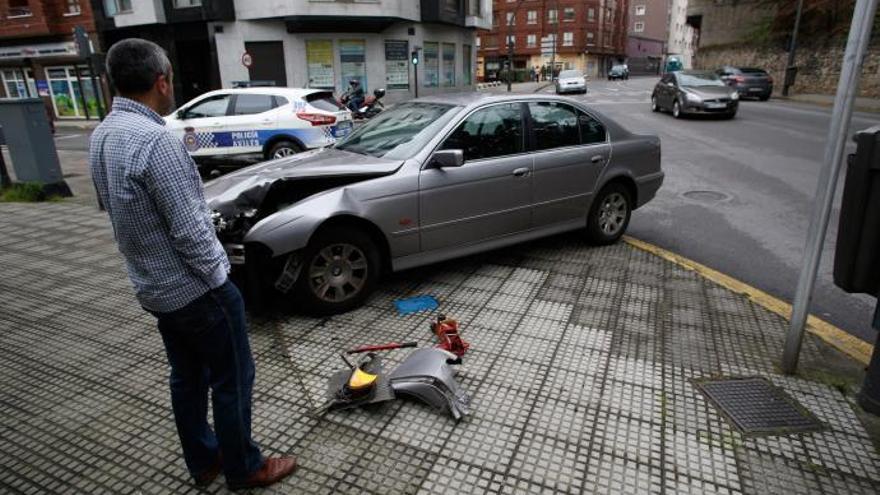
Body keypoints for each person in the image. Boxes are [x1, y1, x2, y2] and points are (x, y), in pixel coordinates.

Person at [89, 38, 297, 490]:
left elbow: (109, 206)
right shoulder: (156, 142)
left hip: (153, 288)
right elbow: (190, 232)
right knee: (233, 378)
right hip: (197, 291)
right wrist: (222, 280)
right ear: (161, 80)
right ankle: (244, 467)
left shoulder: (103, 135)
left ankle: (204, 461)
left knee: (186, 376)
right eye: (170, 80)